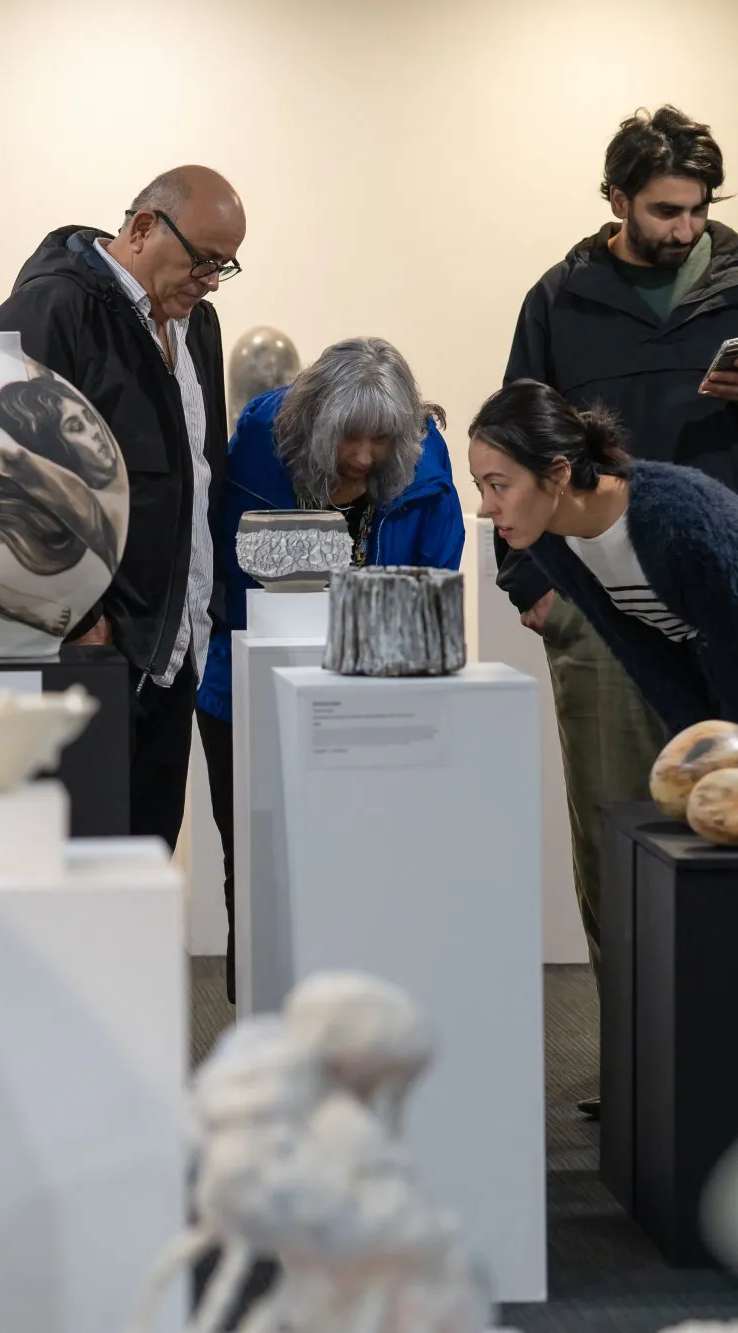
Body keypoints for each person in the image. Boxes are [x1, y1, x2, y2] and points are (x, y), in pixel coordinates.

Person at [492, 107, 738, 1110]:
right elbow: (511, 442)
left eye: (696, 209)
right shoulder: (558, 300)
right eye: (663, 211)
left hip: (728, 600)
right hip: (595, 604)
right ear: (614, 202)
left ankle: (732, 1070)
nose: (684, 228)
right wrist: (534, 587)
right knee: (618, 834)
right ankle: (636, 1066)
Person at [0, 166, 245, 847]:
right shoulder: (48, 312)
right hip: (87, 646)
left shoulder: (199, 326)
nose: (211, 280)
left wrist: (205, 604)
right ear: (142, 227)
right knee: (79, 862)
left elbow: (199, 471)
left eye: (225, 266)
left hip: (174, 641)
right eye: (204, 260)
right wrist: (79, 616)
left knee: (147, 851)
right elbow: (5, 479)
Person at [197, 337, 465, 999]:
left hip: (376, 693)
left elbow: (438, 567)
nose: (366, 456)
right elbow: (226, 566)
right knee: (256, 859)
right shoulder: (262, 437)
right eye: (350, 439)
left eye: (382, 440)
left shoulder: (424, 451)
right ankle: (259, 1007)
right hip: (247, 685)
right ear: (315, 422)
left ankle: (364, 1013)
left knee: (366, 856)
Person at [471, 380, 738, 751]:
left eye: (499, 485)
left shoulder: (673, 514)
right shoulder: (552, 540)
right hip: (731, 668)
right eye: (481, 487)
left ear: (558, 473)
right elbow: (642, 652)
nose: (486, 507)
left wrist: (731, 748)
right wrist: (692, 739)